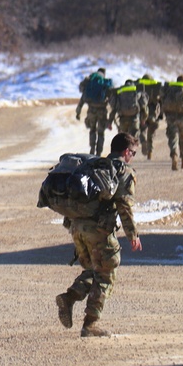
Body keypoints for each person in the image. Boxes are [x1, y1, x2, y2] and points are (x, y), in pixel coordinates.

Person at [54, 132, 142, 337]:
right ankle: (90, 324)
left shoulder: (95, 166)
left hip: (77, 227)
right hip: (98, 230)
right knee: (106, 273)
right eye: (134, 153)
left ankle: (69, 298)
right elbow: (124, 206)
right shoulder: (123, 171)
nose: (133, 157)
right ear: (126, 151)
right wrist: (133, 234)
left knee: (95, 269)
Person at [161, 76, 183, 170]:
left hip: (171, 118)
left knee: (173, 138)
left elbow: (162, 102)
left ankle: (174, 156)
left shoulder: (170, 89)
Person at [76, 67, 112, 155]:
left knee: (92, 130)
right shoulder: (104, 82)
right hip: (102, 111)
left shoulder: (90, 82)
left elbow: (82, 100)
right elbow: (111, 98)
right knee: (101, 132)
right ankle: (99, 152)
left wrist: (78, 112)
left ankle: (92, 148)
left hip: (91, 110)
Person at [136, 74, 161, 160]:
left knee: (142, 129)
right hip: (153, 113)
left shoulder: (139, 86)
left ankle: (143, 141)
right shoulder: (155, 87)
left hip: (142, 113)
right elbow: (160, 101)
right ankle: (150, 151)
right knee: (151, 133)